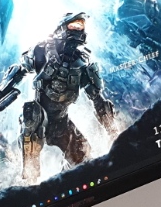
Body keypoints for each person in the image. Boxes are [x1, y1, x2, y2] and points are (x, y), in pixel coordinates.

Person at [18, 12, 119, 180]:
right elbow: (19, 71)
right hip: (39, 119)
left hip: (61, 122)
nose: (78, 29)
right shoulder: (41, 50)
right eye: (74, 25)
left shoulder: (83, 62)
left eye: (81, 26)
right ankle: (29, 178)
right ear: (62, 28)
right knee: (32, 114)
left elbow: (98, 100)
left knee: (84, 159)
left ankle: (64, 180)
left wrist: (114, 133)